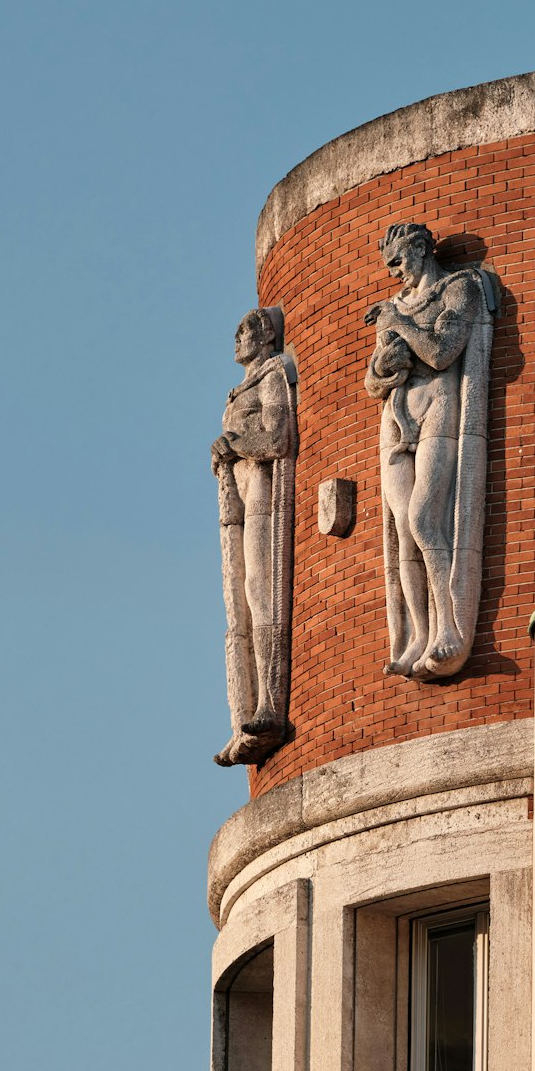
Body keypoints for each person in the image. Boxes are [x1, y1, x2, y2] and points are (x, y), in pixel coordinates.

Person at [364, 222, 495, 680]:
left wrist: (398, 325)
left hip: (440, 409)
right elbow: (371, 381)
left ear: (421, 249)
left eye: (398, 260)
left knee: (424, 519)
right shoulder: (394, 306)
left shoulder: (458, 289)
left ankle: (447, 628)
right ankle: (418, 634)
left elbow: (442, 353)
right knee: (402, 528)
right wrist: (384, 364)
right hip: (397, 415)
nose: (394, 272)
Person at [212, 308, 297, 765]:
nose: (237, 336)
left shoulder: (271, 376)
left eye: (246, 329)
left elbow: (277, 438)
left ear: (266, 336)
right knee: (241, 596)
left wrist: (235, 443)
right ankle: (244, 708)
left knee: (262, 593)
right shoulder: (238, 390)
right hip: (243, 494)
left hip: (265, 494)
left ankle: (269, 700)